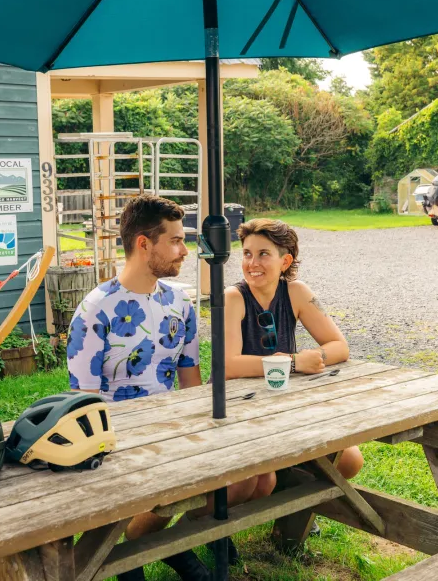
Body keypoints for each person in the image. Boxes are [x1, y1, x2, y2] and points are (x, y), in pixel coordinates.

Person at [66, 194, 252, 581]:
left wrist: (203, 431)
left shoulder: (179, 302)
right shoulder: (94, 310)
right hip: (116, 438)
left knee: (245, 473)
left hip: (173, 429)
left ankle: (171, 544)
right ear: (143, 244)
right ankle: (134, 560)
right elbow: (83, 400)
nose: (186, 251)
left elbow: (189, 374)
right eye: (176, 240)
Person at [224, 218, 364, 509]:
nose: (252, 263)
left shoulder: (296, 292)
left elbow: (340, 346)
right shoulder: (233, 297)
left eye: (264, 254)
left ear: (285, 261)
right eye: (247, 254)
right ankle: (212, 526)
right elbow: (228, 366)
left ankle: (292, 511)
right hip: (240, 404)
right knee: (259, 480)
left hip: (282, 401)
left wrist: (315, 358)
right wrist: (292, 363)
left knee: (350, 460)